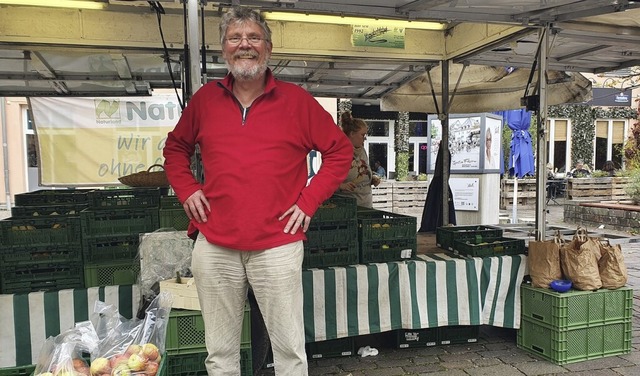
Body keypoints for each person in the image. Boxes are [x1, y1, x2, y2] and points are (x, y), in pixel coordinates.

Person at [162, 7, 352, 375]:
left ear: (268, 47)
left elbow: (339, 151)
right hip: (215, 243)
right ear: (223, 49)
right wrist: (187, 189)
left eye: (253, 38)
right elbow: (175, 149)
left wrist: (309, 201)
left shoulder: (297, 101)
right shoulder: (204, 100)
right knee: (219, 354)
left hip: (278, 244)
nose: (244, 45)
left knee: (289, 352)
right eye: (235, 38)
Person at [337, 112, 381, 207]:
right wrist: (341, 186)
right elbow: (324, 180)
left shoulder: (362, 151)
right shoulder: (337, 153)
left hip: (366, 207)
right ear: (352, 134)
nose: (365, 139)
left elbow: (362, 170)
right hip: (347, 210)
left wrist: (371, 178)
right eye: (362, 135)